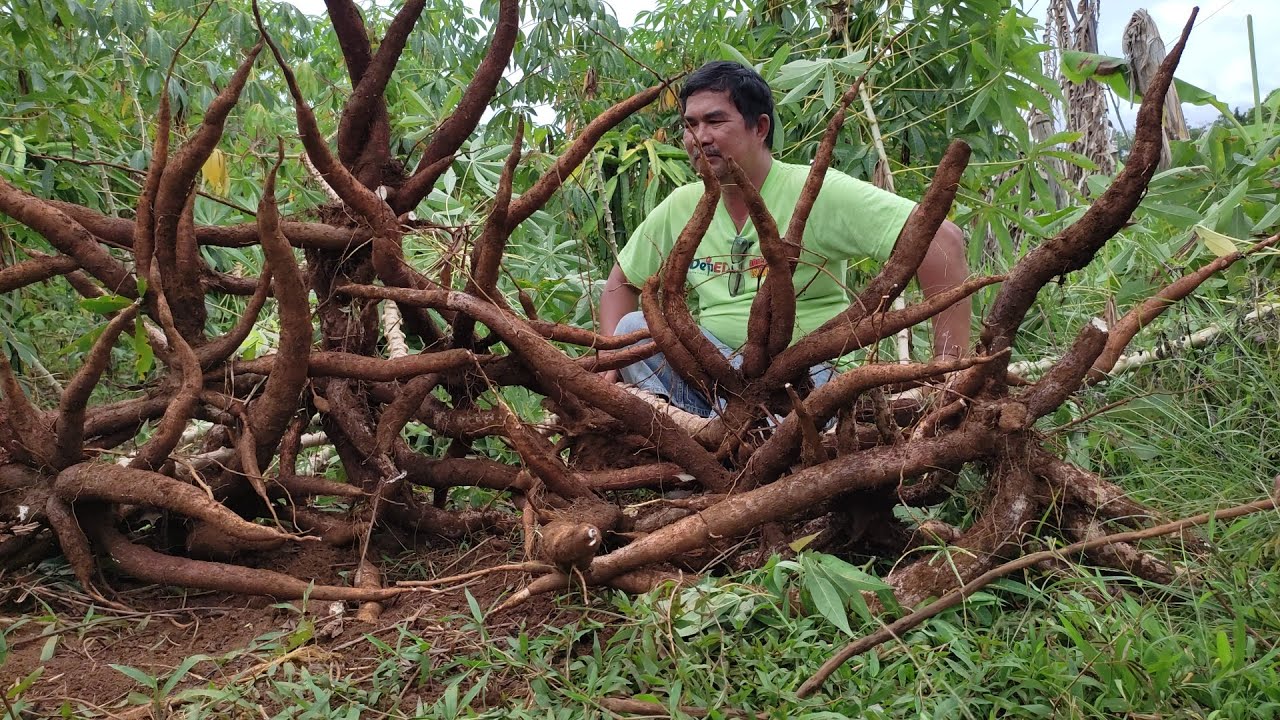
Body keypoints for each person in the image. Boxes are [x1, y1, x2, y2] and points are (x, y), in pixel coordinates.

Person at [598, 61, 970, 416]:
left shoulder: (816, 190)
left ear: (760, 128)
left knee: (802, 394)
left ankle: (751, 436)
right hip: (719, 378)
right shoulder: (681, 206)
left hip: (811, 376)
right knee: (632, 330)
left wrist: (947, 366)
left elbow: (941, 239)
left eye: (715, 121)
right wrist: (609, 367)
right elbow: (621, 282)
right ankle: (733, 435)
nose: (700, 137)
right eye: (690, 123)